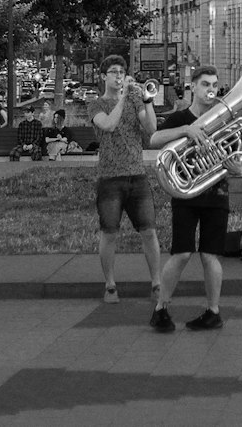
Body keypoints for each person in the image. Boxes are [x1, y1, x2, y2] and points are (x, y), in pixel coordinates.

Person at [148, 65, 242, 332]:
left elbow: (235, 159)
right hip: (186, 195)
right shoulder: (180, 117)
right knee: (181, 253)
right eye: (205, 85)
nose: (211, 90)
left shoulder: (222, 120)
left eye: (214, 85)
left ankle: (213, 312)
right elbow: (154, 138)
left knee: (211, 255)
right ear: (193, 87)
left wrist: (237, 168)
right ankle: (160, 309)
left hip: (217, 194)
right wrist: (186, 131)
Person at [87, 56, 162, 304]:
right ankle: (109, 285)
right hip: (110, 178)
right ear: (103, 76)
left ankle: (157, 284)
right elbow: (108, 125)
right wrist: (122, 99)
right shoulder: (96, 104)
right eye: (114, 72)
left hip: (137, 175)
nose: (119, 77)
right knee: (109, 233)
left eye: (122, 72)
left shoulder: (134, 99)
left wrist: (147, 99)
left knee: (149, 231)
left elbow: (151, 129)